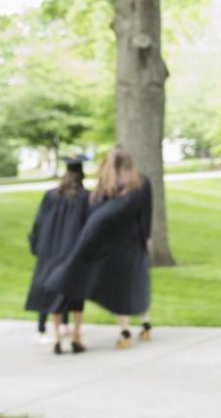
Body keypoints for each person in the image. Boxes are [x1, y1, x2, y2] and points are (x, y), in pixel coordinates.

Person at [49, 146, 153, 350]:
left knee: (119, 285)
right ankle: (145, 323)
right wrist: (146, 237)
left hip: (113, 243)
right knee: (137, 281)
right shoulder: (141, 182)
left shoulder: (105, 186)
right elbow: (146, 213)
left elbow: (96, 214)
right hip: (133, 240)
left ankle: (124, 330)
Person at [25, 155, 89, 354]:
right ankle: (76, 337)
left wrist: (37, 248)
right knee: (76, 296)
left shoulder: (50, 196)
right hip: (74, 254)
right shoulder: (85, 197)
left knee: (55, 295)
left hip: (51, 253)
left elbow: (38, 224)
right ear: (82, 175)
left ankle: (57, 338)